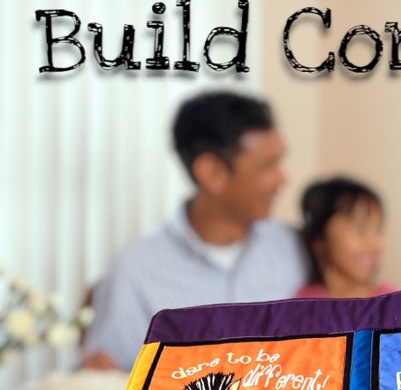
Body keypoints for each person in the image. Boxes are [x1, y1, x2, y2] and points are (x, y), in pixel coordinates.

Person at [81, 91, 309, 371]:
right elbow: (105, 385)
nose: (282, 179)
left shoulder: (298, 249)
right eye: (267, 166)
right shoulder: (134, 271)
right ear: (211, 172)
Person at [293, 176, 396, 299]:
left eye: (379, 230)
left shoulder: (393, 303)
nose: (375, 244)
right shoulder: (303, 304)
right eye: (360, 229)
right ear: (319, 240)